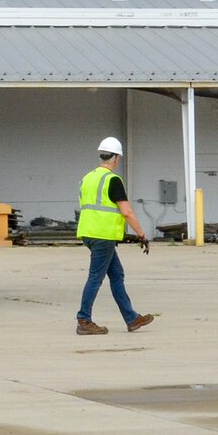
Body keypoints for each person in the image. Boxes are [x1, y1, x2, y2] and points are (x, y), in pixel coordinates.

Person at [75, 137, 154, 335]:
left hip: (89, 233)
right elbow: (126, 212)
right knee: (95, 277)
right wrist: (141, 234)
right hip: (103, 235)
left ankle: (131, 318)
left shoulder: (87, 178)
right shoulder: (113, 180)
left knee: (116, 275)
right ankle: (83, 319)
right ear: (116, 158)